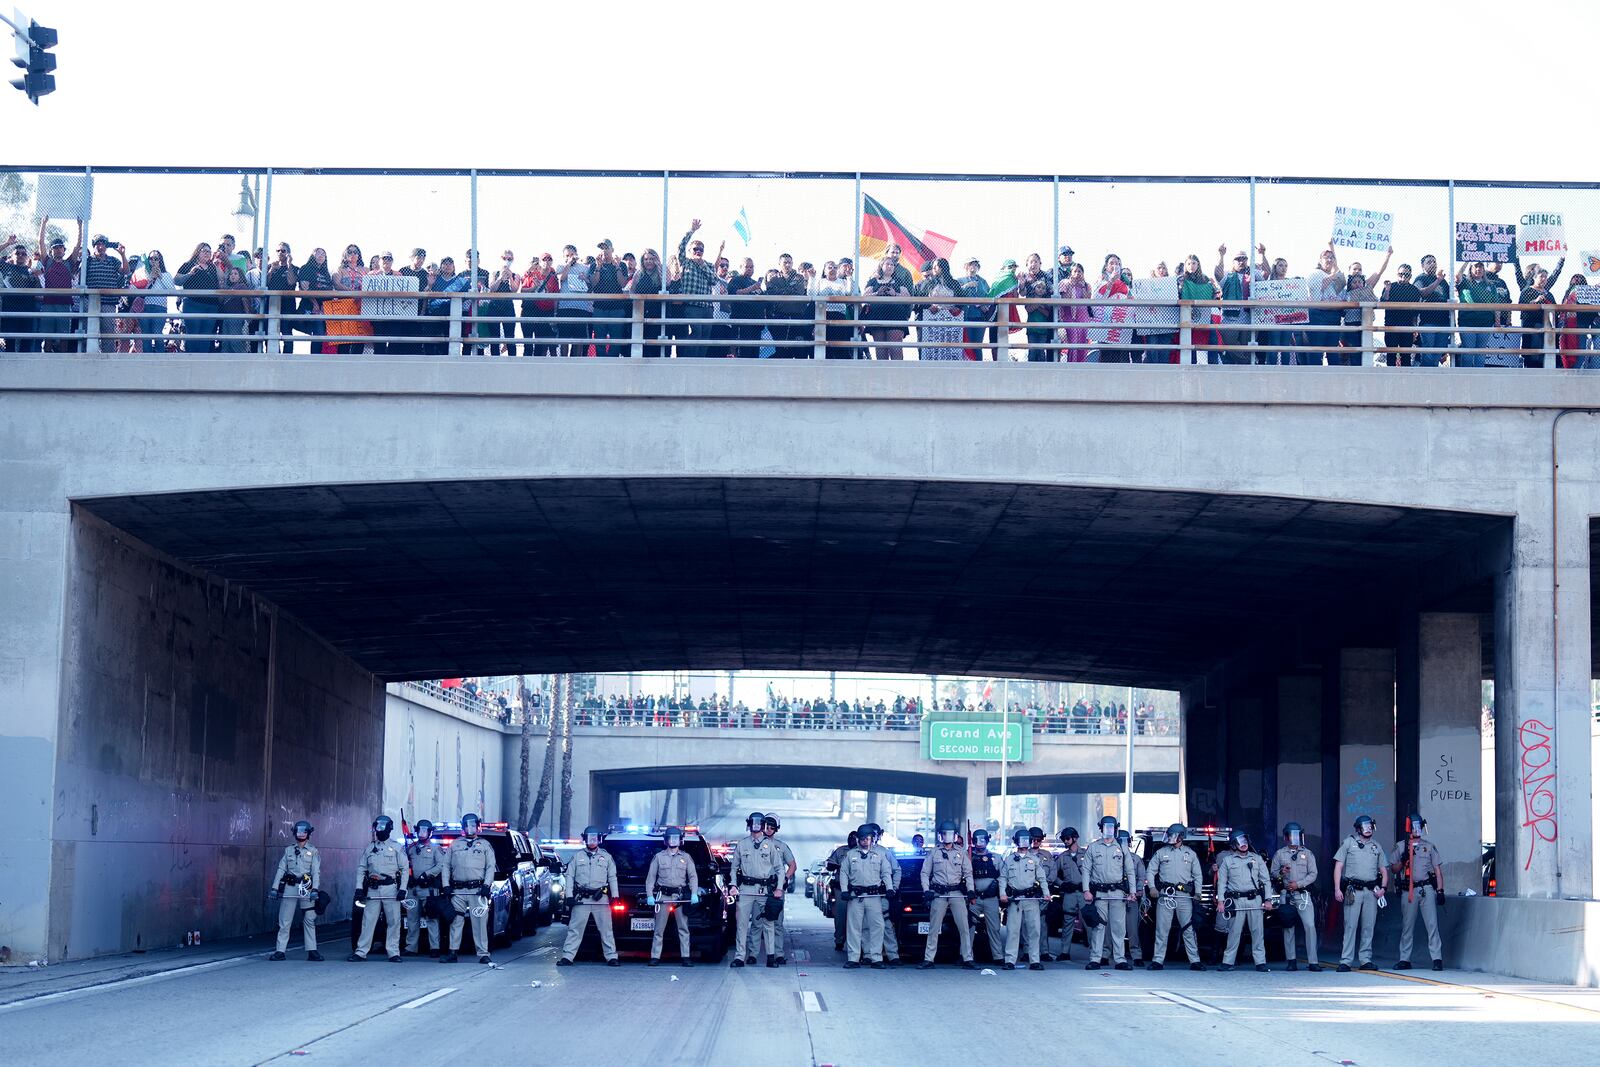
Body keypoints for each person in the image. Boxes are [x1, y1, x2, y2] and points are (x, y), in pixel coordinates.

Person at [1332, 814, 1389, 971]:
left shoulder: (1376, 846)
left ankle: (1365, 959)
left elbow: (1384, 870)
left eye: (1370, 826)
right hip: (1353, 890)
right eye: (1365, 826)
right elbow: (1338, 867)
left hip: (1371, 891)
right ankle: (1346, 960)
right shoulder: (1349, 843)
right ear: (1358, 829)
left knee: (1368, 926)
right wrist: (1337, 889)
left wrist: (1383, 889)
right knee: (1350, 925)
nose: (1368, 829)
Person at [348, 815, 408, 962]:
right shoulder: (369, 848)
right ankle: (361, 952)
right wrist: (358, 889)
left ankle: (393, 952)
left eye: (383, 826)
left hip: (391, 889)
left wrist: (403, 889)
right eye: (378, 826)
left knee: (394, 921)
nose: (380, 830)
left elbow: (405, 869)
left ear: (389, 829)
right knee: (368, 921)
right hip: (373, 889)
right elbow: (362, 869)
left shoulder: (396, 847)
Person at [558, 825, 621, 966]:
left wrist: (615, 896)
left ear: (599, 839)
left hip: (601, 899)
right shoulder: (577, 857)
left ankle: (611, 957)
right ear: (585, 839)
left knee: (606, 929)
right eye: (589, 838)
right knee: (575, 929)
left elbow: (612, 877)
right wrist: (568, 896)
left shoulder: (606, 857)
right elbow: (569, 877)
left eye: (595, 838)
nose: (592, 841)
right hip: (582, 899)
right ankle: (567, 957)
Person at [918, 820, 975, 969]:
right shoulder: (934, 852)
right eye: (945, 833)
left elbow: (968, 873)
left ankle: (967, 959)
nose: (947, 836)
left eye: (950, 834)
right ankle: (929, 959)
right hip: (939, 893)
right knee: (934, 927)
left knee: (964, 927)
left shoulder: (961, 853)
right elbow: (924, 873)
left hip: (956, 893)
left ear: (955, 836)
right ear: (940, 836)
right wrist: (926, 891)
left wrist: (970, 890)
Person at [1147, 824, 1204, 971]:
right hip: (1166, 895)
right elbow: (1151, 871)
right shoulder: (1161, 852)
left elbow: (1198, 875)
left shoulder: (1190, 854)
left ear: (1181, 836)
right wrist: (1152, 887)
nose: (1171, 838)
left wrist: (1198, 892)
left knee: (1188, 929)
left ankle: (1195, 961)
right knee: (1162, 929)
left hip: (1184, 896)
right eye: (1170, 835)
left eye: (1174, 835)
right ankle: (1158, 960)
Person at [1391, 813, 1445, 971]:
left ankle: (1437, 958)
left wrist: (1440, 890)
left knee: (1432, 924)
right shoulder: (1401, 846)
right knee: (1407, 926)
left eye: (1420, 827)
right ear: (1409, 828)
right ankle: (1405, 959)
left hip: (1426, 889)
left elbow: (1437, 870)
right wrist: (1403, 860)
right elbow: (1393, 868)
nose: (1418, 829)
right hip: (1409, 890)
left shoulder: (1429, 846)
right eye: (1415, 827)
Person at [1081, 816, 1134, 970]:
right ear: (1101, 829)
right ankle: (1095, 959)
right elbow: (1086, 870)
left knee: (1118, 927)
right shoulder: (1094, 847)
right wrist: (1086, 890)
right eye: (1106, 827)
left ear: (1116, 828)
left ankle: (1120, 960)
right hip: (1100, 893)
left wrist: (1131, 891)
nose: (1109, 830)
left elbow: (1130, 870)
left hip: (1118, 892)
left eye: (1112, 827)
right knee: (1098, 926)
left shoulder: (1122, 847)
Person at [729, 811, 781, 967]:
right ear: (749, 824)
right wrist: (733, 885)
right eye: (754, 823)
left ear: (763, 825)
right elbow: (734, 868)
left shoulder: (770, 845)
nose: (756, 826)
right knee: (742, 925)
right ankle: (740, 957)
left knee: (768, 923)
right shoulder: (742, 844)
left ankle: (770, 957)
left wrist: (778, 888)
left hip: (764, 890)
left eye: (759, 823)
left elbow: (780, 869)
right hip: (745, 889)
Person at [444, 812, 497, 964]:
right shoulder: (455, 844)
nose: (470, 828)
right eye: (467, 825)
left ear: (478, 827)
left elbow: (490, 867)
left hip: (477, 890)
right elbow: (446, 866)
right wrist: (446, 886)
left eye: (473, 825)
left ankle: (483, 953)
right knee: (456, 921)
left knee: (479, 921)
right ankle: (453, 952)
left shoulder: (485, 845)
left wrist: (487, 885)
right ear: (463, 827)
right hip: (458, 890)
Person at [839, 823, 895, 968]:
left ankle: (876, 958)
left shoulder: (880, 854)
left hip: (874, 896)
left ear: (872, 839)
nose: (865, 841)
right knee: (854, 928)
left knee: (878, 926)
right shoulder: (851, 855)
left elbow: (886, 873)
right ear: (858, 839)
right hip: (856, 896)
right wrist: (844, 890)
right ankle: (853, 958)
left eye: (868, 838)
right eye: (862, 838)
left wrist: (889, 888)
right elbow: (844, 873)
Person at [1215, 829, 1271, 971]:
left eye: (1245, 841)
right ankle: (1228, 962)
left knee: (1257, 932)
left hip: (1255, 899)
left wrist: (1268, 899)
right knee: (1234, 932)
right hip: (1237, 900)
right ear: (1233, 844)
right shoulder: (1228, 861)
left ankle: (1260, 962)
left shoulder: (1257, 859)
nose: (1243, 844)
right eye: (1239, 842)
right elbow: (1222, 883)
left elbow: (1266, 880)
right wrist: (1221, 901)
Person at [644, 825, 700, 966]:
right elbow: (650, 878)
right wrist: (650, 895)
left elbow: (693, 877)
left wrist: (694, 893)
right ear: (666, 840)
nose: (673, 841)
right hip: (663, 896)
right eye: (671, 838)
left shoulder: (686, 857)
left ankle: (685, 957)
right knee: (659, 929)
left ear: (680, 840)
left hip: (680, 897)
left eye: (676, 838)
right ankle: (655, 956)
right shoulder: (659, 857)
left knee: (683, 927)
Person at [269, 819, 323, 961]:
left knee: (309, 919)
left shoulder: (313, 851)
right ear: (294, 833)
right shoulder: (288, 850)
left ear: (308, 833)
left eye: (304, 831)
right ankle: (280, 951)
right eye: (298, 831)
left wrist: (315, 889)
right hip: (290, 887)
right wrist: (275, 888)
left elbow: (316, 871)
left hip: (306, 887)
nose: (301, 834)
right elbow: (281, 869)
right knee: (284, 920)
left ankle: (312, 950)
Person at [1270, 821, 1321, 971]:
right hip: (1286, 895)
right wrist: (1282, 873)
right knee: (1288, 927)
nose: (1294, 838)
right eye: (1291, 835)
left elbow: (1313, 874)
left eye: (1297, 835)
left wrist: (1298, 884)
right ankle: (1291, 960)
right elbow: (1272, 874)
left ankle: (1313, 961)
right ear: (1286, 837)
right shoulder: (1280, 854)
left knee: (1310, 926)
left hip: (1303, 895)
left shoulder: (1308, 853)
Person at [998, 827, 1049, 970]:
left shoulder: (1034, 860)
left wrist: (1046, 893)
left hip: (1031, 899)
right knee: (1013, 930)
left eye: (1027, 840)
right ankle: (1010, 960)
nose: (1024, 843)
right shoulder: (1009, 860)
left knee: (1034, 930)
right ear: (1016, 842)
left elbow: (1042, 878)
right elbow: (1003, 878)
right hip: (1015, 900)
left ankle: (1034, 960)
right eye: (1022, 840)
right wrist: (1003, 893)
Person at [1334, 249, 1391, 365]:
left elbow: (1378, 272)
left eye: (1360, 269)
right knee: (1351, 354)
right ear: (1349, 271)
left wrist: (1388, 255)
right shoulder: (1344, 290)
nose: (1357, 271)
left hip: (1365, 323)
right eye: (1354, 269)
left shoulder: (1366, 287)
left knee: (1365, 353)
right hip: (1350, 325)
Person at [757, 814, 797, 965]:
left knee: (777, 922)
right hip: (758, 887)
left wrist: (785, 879)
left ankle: (778, 954)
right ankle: (753, 954)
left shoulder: (781, 846)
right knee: (757, 923)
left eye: (771, 827)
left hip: (776, 888)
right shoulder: (754, 844)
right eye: (765, 826)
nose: (768, 830)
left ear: (776, 829)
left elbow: (793, 865)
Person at [405, 819, 446, 957]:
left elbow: (441, 865)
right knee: (411, 919)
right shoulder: (411, 848)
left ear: (430, 832)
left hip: (428, 889)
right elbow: (405, 864)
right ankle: (411, 947)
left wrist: (427, 874)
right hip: (413, 889)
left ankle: (434, 948)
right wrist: (408, 876)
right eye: (420, 830)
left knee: (432, 918)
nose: (422, 833)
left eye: (425, 831)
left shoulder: (436, 849)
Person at [1454, 261, 1504, 369]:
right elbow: (1457, 276)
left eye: (1481, 266)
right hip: (1467, 321)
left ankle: (1479, 375)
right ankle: (1467, 376)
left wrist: (1497, 320)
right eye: (1476, 266)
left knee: (1481, 351)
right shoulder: (1465, 282)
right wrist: (1467, 260)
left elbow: (1496, 304)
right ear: (1471, 268)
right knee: (1468, 350)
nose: (1478, 269)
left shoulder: (1490, 285)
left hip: (1485, 322)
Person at [914, 258, 965, 361]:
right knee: (927, 349)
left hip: (949, 321)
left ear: (943, 267)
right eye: (932, 267)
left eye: (936, 267)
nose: (934, 269)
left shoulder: (954, 283)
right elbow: (917, 300)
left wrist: (956, 308)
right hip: (930, 320)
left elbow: (963, 300)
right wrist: (929, 307)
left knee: (948, 349)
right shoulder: (927, 283)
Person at [1110, 829, 1147, 967]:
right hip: (1115, 896)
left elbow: (1141, 877)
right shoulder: (1112, 857)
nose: (1123, 844)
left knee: (1132, 928)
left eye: (1126, 842)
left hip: (1131, 897)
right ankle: (1106, 954)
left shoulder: (1136, 859)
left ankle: (1136, 955)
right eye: (1121, 842)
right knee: (1111, 927)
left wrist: (1138, 891)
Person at [175, 241, 220, 353]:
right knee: (193, 335)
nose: (207, 253)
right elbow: (176, 281)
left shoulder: (212, 267)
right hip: (193, 304)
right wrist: (190, 273)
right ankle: (192, 361)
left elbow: (222, 281)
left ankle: (202, 363)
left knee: (206, 337)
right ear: (197, 252)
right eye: (204, 251)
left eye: (209, 252)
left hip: (211, 306)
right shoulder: (188, 265)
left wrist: (218, 266)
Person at [968, 827, 1005, 962]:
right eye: (977, 840)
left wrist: (999, 891)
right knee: (970, 927)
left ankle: (998, 956)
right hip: (975, 898)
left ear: (987, 841)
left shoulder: (996, 858)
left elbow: (1003, 877)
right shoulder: (968, 857)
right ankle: (966, 956)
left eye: (982, 840)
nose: (980, 843)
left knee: (994, 928)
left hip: (991, 898)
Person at [862, 257, 911, 359]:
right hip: (877, 317)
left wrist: (895, 294)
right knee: (880, 348)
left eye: (892, 265)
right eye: (887, 264)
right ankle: (881, 374)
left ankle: (898, 373)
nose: (890, 266)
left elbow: (908, 298)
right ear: (881, 266)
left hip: (896, 317)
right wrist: (877, 293)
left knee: (896, 347)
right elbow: (865, 297)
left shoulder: (899, 281)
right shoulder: (873, 281)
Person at [1212, 245, 1254, 364]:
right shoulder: (1228, 275)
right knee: (1229, 343)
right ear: (1233, 262)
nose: (1241, 261)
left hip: (1248, 318)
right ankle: (1248, 364)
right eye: (1238, 259)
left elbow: (1267, 275)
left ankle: (1244, 370)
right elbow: (1217, 274)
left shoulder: (1253, 275)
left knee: (1245, 349)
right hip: (1230, 319)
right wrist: (1221, 256)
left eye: (1243, 259)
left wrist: (1263, 255)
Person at [0, 236, 41, 353]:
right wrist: (7, 243)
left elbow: (39, 295)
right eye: (17, 253)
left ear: (27, 257)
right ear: (13, 256)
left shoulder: (30, 272)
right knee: (10, 345)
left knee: (26, 345)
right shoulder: (6, 267)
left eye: (23, 254)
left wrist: (36, 277)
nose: (20, 255)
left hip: (27, 312)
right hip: (10, 312)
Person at [1307, 242, 1345, 366]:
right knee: (1316, 351)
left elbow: (1342, 282)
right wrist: (1333, 276)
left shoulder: (1333, 276)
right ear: (1319, 260)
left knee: (1333, 352)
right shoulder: (1315, 273)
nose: (1329, 260)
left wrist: (1332, 248)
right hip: (1318, 315)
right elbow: (1317, 293)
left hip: (1333, 317)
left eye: (1331, 257)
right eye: (1326, 257)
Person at [1177, 254, 1220, 363]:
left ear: (1198, 264)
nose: (1191, 266)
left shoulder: (1205, 279)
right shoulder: (1181, 279)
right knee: (1189, 341)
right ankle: (1191, 366)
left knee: (1213, 340)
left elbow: (1215, 294)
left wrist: (1215, 293)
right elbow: (1177, 295)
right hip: (1187, 314)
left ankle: (1213, 366)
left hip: (1204, 313)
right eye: (1189, 263)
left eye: (1194, 263)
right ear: (1185, 265)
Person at [1050, 827, 1084, 962]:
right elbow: (1053, 874)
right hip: (1069, 893)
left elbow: (1095, 872)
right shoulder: (1062, 857)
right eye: (1064, 839)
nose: (1065, 841)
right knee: (1067, 922)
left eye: (1067, 838)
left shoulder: (1086, 854)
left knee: (1089, 922)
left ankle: (1096, 954)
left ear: (1075, 838)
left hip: (1083, 892)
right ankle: (1065, 952)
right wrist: (1062, 883)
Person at [1413, 255, 1453, 366]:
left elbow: (1449, 298)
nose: (1432, 264)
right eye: (1429, 262)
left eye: (1434, 262)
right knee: (1427, 353)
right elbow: (1422, 292)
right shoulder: (1421, 278)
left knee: (1437, 355)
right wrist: (1437, 281)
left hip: (1444, 322)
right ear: (1423, 266)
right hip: (1428, 321)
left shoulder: (1444, 282)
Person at [554, 245, 593, 357]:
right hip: (565, 307)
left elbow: (590, 286)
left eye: (572, 255)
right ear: (564, 256)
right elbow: (562, 278)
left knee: (579, 339)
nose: (570, 257)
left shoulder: (585, 268)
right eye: (567, 255)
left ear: (576, 254)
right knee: (564, 339)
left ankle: (576, 361)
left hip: (581, 307)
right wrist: (568, 264)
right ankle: (563, 361)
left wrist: (585, 279)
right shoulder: (561, 266)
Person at [1381, 263, 1423, 366]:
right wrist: (1387, 289)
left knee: (1406, 355)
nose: (1403, 277)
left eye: (1406, 275)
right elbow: (1383, 302)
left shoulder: (1414, 290)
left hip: (1407, 326)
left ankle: (1407, 379)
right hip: (1391, 325)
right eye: (1401, 274)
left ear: (1410, 276)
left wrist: (1414, 329)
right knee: (1391, 353)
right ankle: (1390, 378)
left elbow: (1416, 313)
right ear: (1397, 274)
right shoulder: (1391, 286)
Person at [518, 253, 559, 357]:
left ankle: (537, 369)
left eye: (549, 259)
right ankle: (526, 368)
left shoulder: (553, 277)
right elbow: (522, 290)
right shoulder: (533, 274)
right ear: (540, 262)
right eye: (544, 259)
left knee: (540, 344)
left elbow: (556, 296)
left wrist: (555, 313)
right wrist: (533, 288)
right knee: (528, 343)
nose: (547, 261)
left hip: (545, 312)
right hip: (530, 310)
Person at [826, 829, 859, 951]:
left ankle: (856, 943)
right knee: (841, 918)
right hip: (841, 889)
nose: (852, 840)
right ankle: (839, 940)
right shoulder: (840, 851)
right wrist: (840, 866)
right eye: (850, 838)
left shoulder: (862, 852)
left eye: (854, 838)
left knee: (857, 919)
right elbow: (829, 865)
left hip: (857, 890)